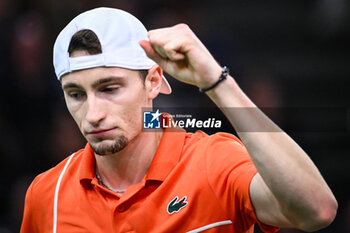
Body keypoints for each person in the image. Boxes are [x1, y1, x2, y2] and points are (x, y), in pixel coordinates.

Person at [20, 7, 337, 233]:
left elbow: (316, 211)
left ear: (153, 82)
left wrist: (216, 81)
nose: (92, 114)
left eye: (110, 88)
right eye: (76, 94)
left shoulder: (213, 162)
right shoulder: (47, 193)